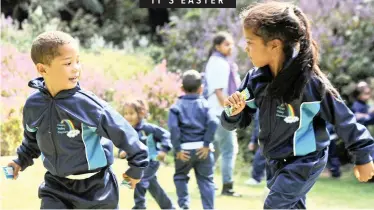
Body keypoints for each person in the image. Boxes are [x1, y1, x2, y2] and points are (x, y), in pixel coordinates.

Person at [220, 2, 374, 209]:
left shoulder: (310, 83)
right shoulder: (254, 80)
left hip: (305, 161)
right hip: (274, 161)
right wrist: (232, 112)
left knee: (274, 206)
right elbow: (235, 121)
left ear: (274, 45)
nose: (245, 48)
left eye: (250, 42)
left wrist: (363, 156)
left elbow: (344, 119)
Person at [6, 31, 149, 209]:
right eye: (68, 63)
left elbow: (126, 136)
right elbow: (32, 140)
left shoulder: (89, 106)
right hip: (56, 188)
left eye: (77, 61)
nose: (76, 68)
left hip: (97, 189)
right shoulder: (33, 105)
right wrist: (20, 160)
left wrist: (136, 169)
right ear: (43, 69)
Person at [168, 70, 218, 209]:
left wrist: (177, 148)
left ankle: (184, 206)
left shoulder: (176, 107)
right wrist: (207, 144)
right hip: (203, 149)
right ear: (201, 88)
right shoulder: (206, 105)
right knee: (206, 180)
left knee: (180, 177)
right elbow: (213, 122)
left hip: (184, 150)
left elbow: (173, 128)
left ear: (182, 89)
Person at [204, 31, 242, 196]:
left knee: (216, 149)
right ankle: (228, 187)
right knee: (229, 149)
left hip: (213, 112)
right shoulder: (220, 63)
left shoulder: (216, 61)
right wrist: (231, 111)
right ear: (218, 46)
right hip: (221, 112)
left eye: (231, 44)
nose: (230, 47)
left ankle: (205, 182)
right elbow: (219, 92)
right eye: (227, 44)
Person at [119, 99, 175, 209]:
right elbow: (123, 146)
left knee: (140, 180)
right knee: (153, 186)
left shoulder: (148, 128)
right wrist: (122, 152)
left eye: (131, 113)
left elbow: (166, 135)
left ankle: (139, 207)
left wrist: (163, 150)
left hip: (151, 161)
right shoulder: (127, 131)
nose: (128, 116)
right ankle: (169, 207)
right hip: (138, 163)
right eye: (126, 113)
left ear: (140, 113)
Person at [245, 110, 266, 185]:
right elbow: (256, 125)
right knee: (260, 158)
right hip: (261, 137)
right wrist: (253, 141)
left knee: (259, 158)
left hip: (270, 137)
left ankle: (256, 178)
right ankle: (257, 178)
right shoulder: (259, 109)